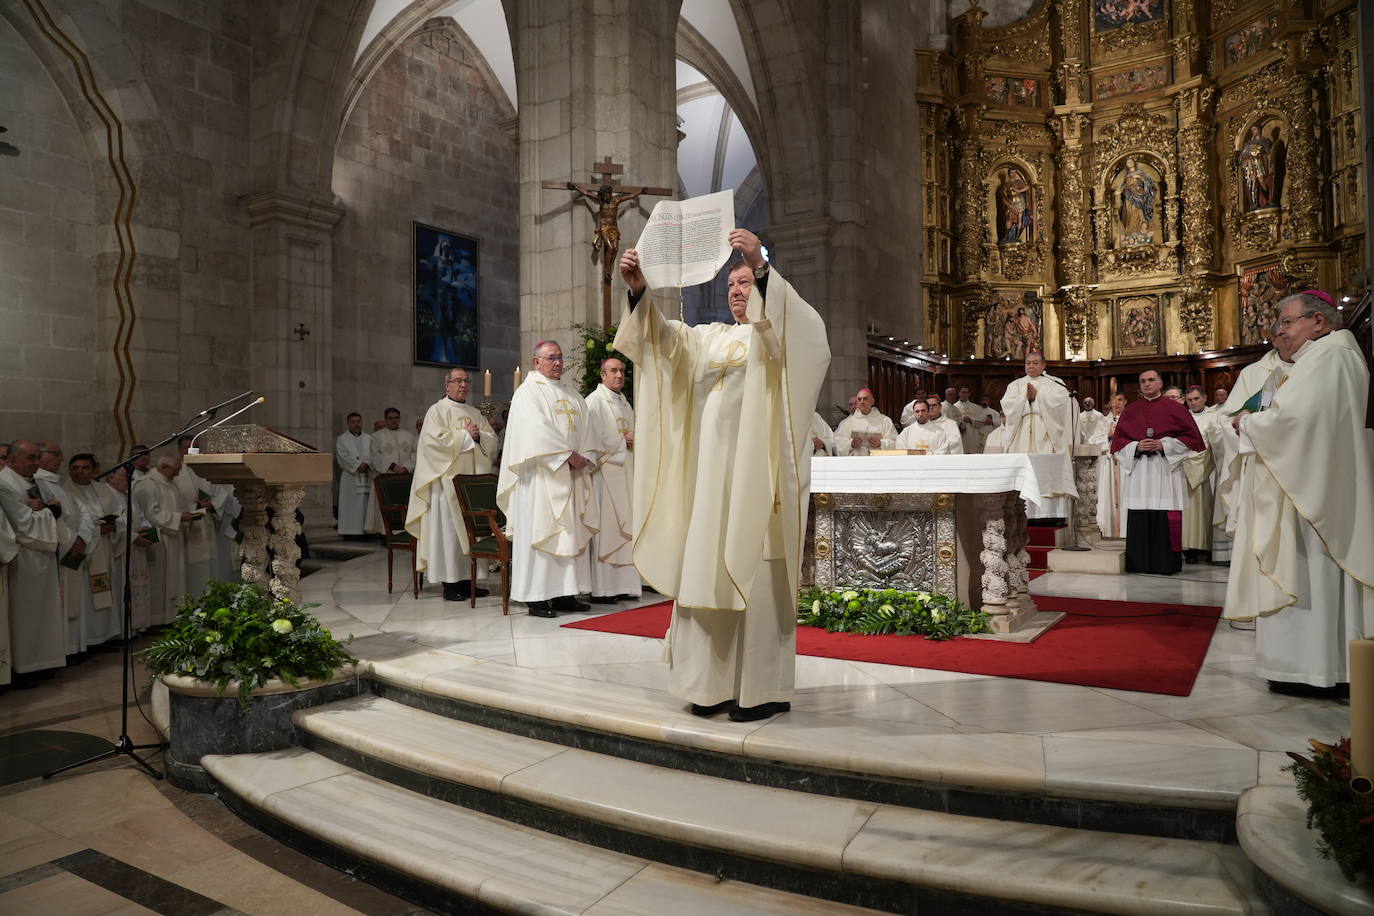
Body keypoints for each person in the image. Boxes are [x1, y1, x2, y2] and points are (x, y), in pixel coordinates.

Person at [616, 228, 829, 722]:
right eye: (731, 284)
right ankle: (708, 686)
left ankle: (761, 689)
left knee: (758, 577)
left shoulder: (776, 337)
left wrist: (759, 263)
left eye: (746, 282)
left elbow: (811, 338)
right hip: (710, 488)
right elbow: (661, 343)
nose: (737, 291)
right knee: (707, 573)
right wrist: (640, 290)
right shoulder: (708, 338)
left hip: (762, 485)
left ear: (761, 284)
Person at [1225, 292, 1374, 696]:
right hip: (1306, 482)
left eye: (1288, 322)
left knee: (1313, 572)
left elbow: (1294, 420)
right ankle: (1300, 666)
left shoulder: (1330, 357)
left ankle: (1313, 669)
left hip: (1315, 492)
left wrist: (1248, 424)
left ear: (1319, 322)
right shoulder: (1325, 358)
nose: (1281, 331)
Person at [498, 341, 600, 617]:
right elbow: (534, 430)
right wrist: (567, 455)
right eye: (551, 358)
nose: (557, 363)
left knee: (570, 534)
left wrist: (585, 455)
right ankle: (537, 597)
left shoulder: (572, 394)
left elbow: (588, 428)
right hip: (542, 478)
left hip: (572, 475)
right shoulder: (527, 393)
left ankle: (566, 594)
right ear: (536, 362)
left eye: (560, 357)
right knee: (544, 531)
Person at [406, 369, 498, 601]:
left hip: (471, 486)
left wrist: (478, 437)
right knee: (449, 535)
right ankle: (450, 584)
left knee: (469, 535)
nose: (463, 385)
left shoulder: (475, 412)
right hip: (446, 484)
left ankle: (469, 581)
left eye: (466, 381)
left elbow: (491, 441)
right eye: (457, 381)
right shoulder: (436, 411)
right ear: (446, 385)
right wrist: (465, 436)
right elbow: (431, 445)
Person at [1110, 370, 1205, 575]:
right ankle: (1139, 563)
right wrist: (1136, 446)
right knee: (1139, 515)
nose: (1147, 384)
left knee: (1165, 515)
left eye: (1151, 380)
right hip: (1140, 470)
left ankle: (1166, 564)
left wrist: (1165, 445)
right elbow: (1118, 444)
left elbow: (1191, 439)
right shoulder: (1131, 410)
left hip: (1166, 469)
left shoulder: (1175, 408)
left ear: (1160, 383)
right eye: (1143, 381)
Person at [0, 441, 63, 685]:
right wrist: (52, 512)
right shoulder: (5, 482)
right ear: (13, 460)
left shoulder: (29, 481)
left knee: (41, 613)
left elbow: (35, 514)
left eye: (38, 457)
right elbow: (24, 524)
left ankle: (41, 662)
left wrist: (43, 510)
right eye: (31, 458)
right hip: (24, 560)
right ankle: (26, 667)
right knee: (26, 615)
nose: (37, 462)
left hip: (40, 556)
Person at [585, 356, 643, 604]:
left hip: (626, 472)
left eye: (622, 371)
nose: (619, 375)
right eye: (613, 371)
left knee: (625, 528)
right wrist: (623, 441)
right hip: (604, 476)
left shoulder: (624, 403)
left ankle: (625, 585)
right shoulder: (593, 403)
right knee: (608, 528)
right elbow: (591, 439)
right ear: (602, 374)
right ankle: (605, 588)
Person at [35, 441, 94, 658]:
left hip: (72, 545)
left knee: (72, 601)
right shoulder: (39, 483)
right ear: (41, 456)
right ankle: (63, 651)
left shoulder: (57, 484)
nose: (61, 459)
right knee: (60, 603)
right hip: (61, 549)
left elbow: (83, 512)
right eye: (56, 454)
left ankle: (73, 648)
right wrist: (72, 540)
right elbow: (53, 517)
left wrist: (83, 537)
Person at [1000, 352, 1076, 520]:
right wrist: (1025, 399)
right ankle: (1021, 513)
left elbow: (1062, 404)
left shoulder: (1055, 384)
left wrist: (1038, 397)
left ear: (1043, 365)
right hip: (1021, 434)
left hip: (1047, 434)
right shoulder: (1016, 385)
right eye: (1028, 363)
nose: (1031, 366)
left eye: (1035, 363)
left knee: (1045, 473)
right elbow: (1007, 406)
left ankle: (1050, 515)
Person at [64, 454, 123, 647]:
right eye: (75, 467)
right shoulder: (65, 491)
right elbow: (70, 523)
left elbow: (120, 513)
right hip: (84, 551)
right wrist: (99, 530)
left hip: (103, 548)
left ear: (95, 470)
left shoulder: (103, 489)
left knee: (104, 590)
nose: (80, 471)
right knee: (84, 597)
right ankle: (86, 639)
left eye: (85, 468)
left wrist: (114, 526)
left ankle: (105, 635)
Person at [134, 455, 189, 625]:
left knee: (172, 578)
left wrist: (182, 516)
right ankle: (156, 619)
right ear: (164, 467)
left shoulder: (169, 483)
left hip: (172, 535)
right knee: (159, 579)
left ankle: (171, 617)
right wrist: (179, 518)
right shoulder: (148, 485)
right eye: (176, 470)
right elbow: (151, 514)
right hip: (158, 538)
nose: (178, 474)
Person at [1180, 387, 1219, 563]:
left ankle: (1207, 547)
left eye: (1196, 399)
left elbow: (1217, 443)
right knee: (1188, 512)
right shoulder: (1182, 417)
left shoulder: (1214, 416)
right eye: (1190, 400)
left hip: (1206, 468)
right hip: (1184, 468)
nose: (1193, 403)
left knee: (1206, 508)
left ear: (1204, 398)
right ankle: (1189, 549)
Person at [335, 412, 376, 538]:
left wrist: (367, 463)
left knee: (366, 503)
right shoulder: (342, 439)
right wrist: (359, 465)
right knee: (350, 504)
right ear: (348, 424)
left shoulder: (369, 439)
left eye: (358, 421)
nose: (356, 424)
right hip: (350, 477)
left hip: (367, 475)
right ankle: (349, 531)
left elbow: (374, 454)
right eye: (353, 422)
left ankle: (366, 531)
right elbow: (342, 457)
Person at [1093, 393, 1129, 539]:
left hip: (1125, 464)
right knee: (1106, 494)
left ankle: (1125, 530)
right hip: (1108, 464)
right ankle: (1108, 529)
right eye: (1113, 400)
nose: (1116, 403)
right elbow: (1092, 440)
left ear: (1125, 401)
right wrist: (1108, 435)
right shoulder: (1102, 421)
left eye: (1120, 400)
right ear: (1109, 402)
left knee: (1125, 495)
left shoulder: (1131, 419)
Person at [836, 389, 897, 455]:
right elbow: (838, 443)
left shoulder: (885, 421)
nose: (862, 402)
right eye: (859, 399)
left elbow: (895, 442)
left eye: (865, 399)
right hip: (856, 461)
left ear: (872, 401)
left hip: (878, 461)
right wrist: (851, 444)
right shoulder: (847, 423)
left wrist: (881, 443)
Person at [952, 387, 984, 453]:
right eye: (962, 392)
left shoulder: (976, 407)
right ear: (959, 394)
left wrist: (971, 419)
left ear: (969, 394)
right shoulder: (954, 407)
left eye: (965, 392)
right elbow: (951, 421)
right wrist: (961, 420)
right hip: (960, 435)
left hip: (972, 435)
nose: (963, 394)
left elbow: (982, 420)